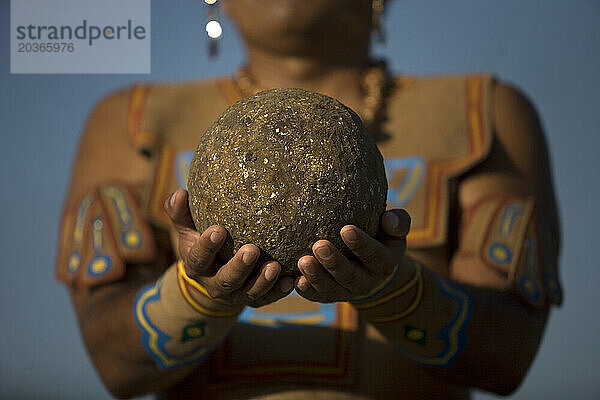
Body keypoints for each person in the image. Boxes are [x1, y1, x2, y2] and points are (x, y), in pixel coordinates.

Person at [56, 1, 562, 399]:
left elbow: (506, 357)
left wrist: (392, 289)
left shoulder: (485, 114)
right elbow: (115, 365)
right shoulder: (131, 122)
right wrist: (199, 292)